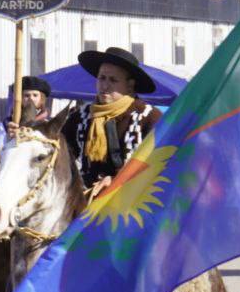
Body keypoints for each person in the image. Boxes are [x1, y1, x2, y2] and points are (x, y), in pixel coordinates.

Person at [54, 47, 162, 196]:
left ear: (130, 86)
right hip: (86, 202)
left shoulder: (149, 117)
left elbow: (157, 163)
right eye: (102, 78)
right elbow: (58, 155)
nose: (104, 86)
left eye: (113, 80)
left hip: (132, 200)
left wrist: (116, 180)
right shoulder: (79, 117)